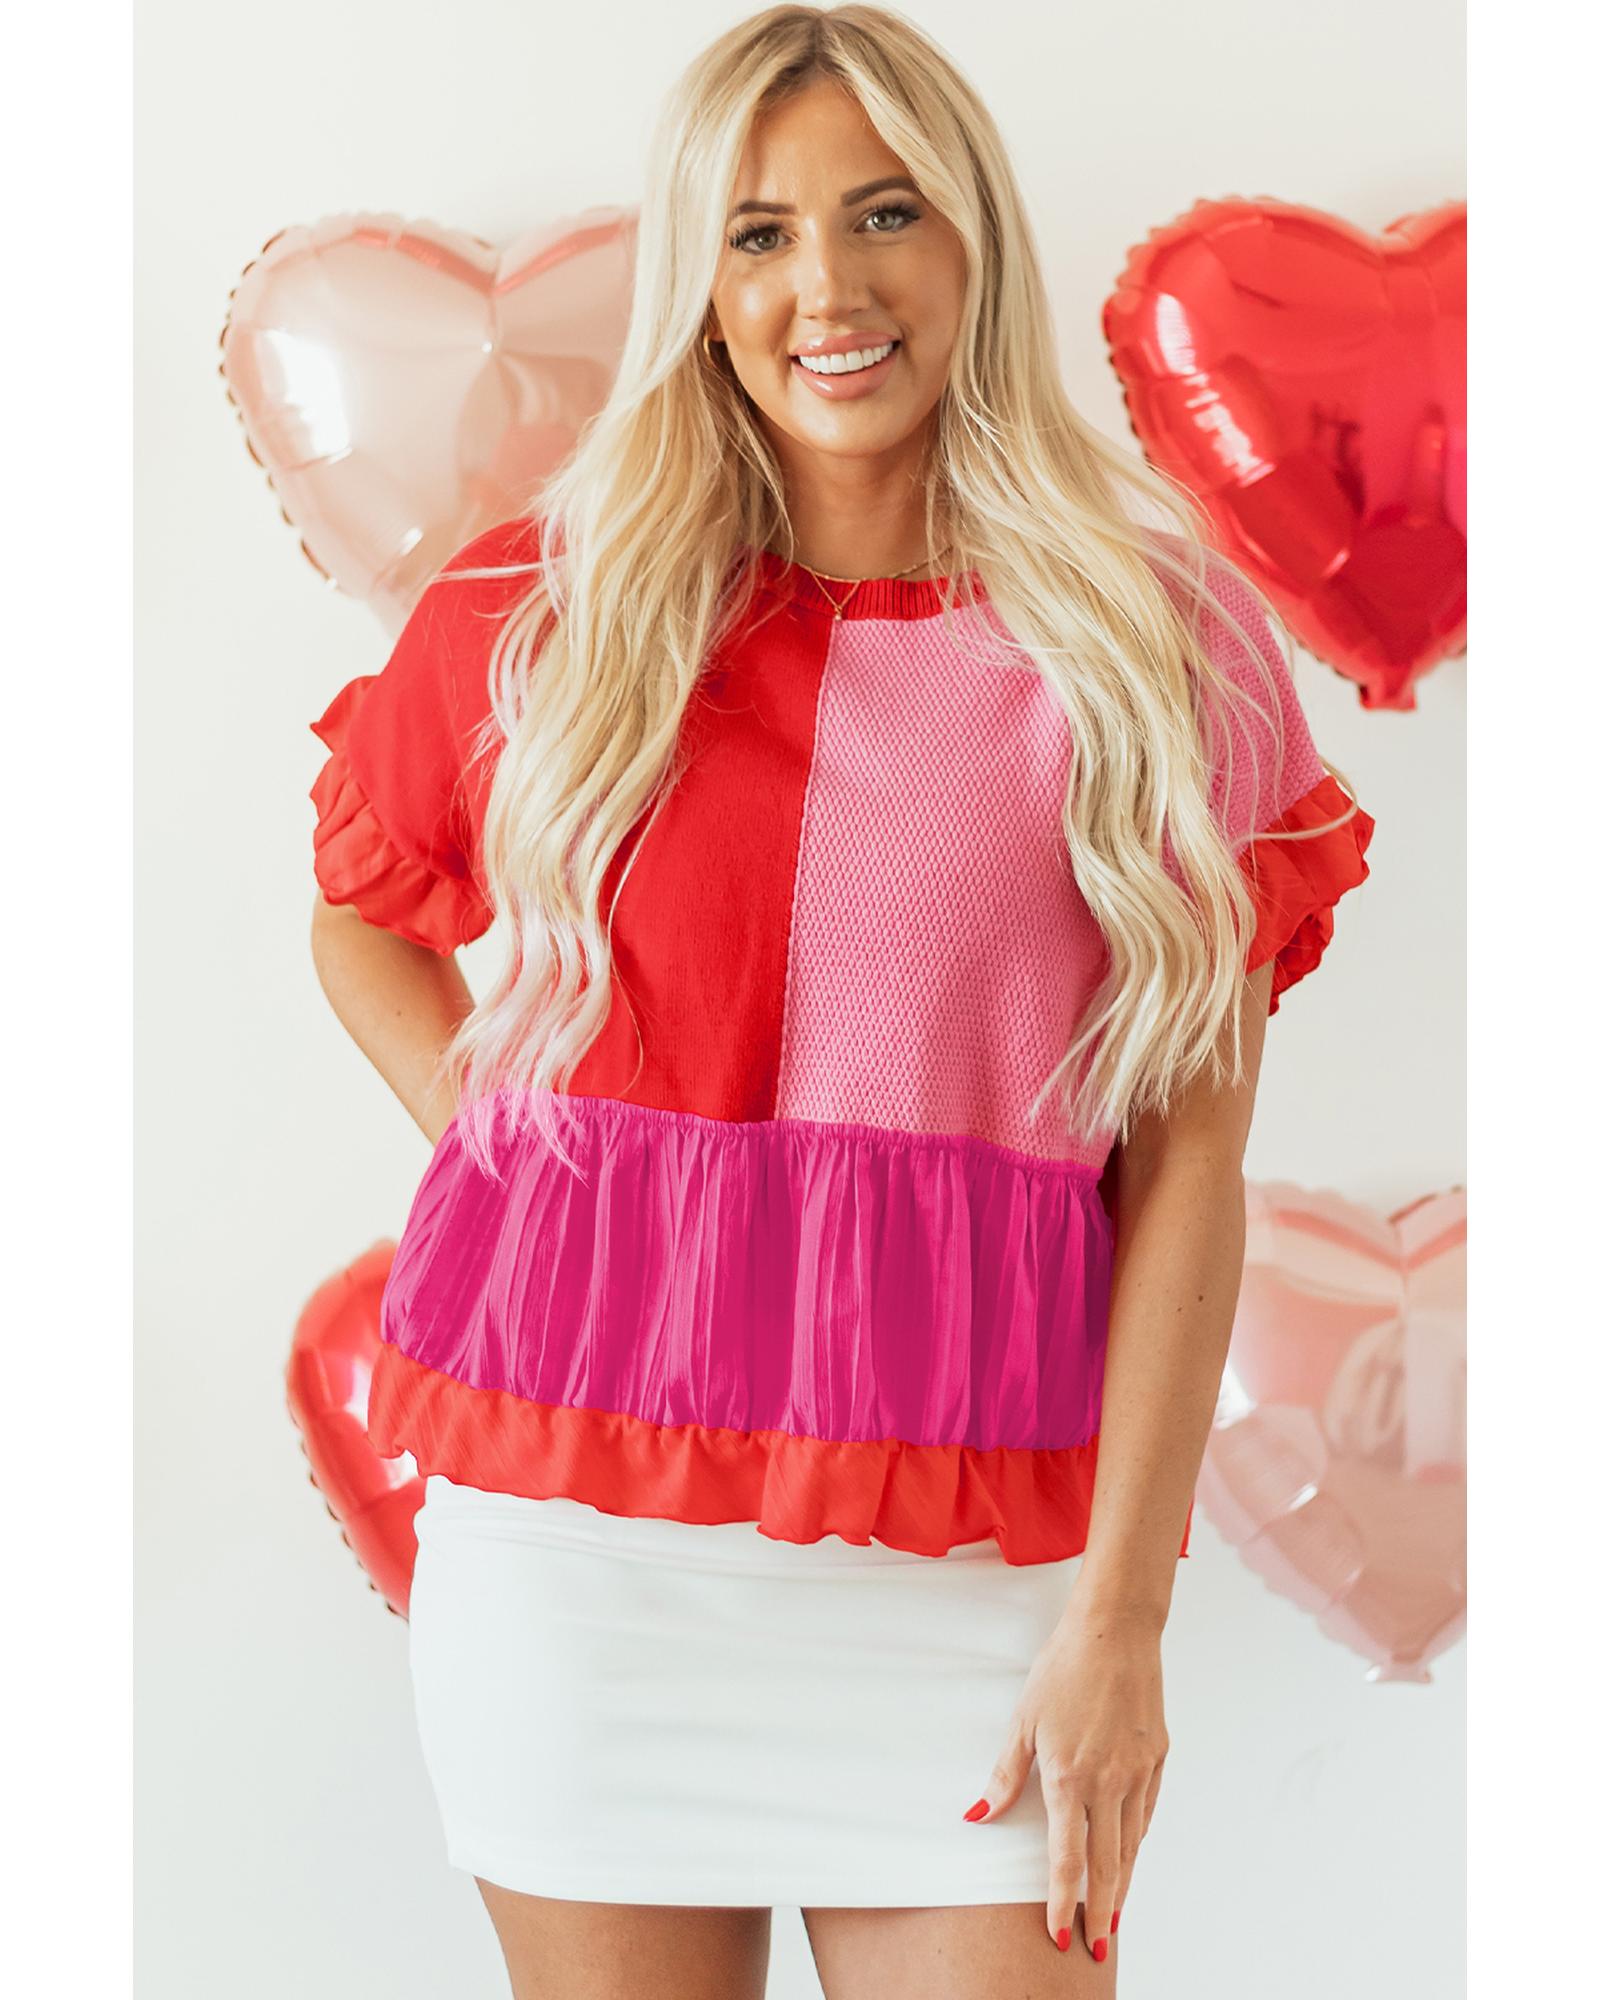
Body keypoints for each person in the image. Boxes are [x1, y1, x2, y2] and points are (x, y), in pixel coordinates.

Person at [306, 8, 1375, 1997]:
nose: (828, 287)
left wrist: (1124, 1623)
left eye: (884, 214)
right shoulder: (542, 608)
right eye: (759, 232)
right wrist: (508, 1157)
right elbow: (359, 914)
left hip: (977, 1588)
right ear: (702, 287)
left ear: (974, 238)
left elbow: (1188, 1159)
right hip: (580, 1571)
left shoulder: (1157, 644)